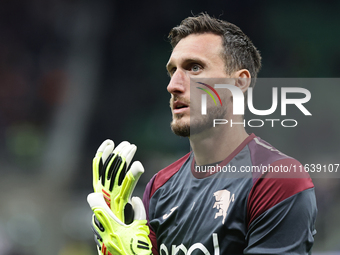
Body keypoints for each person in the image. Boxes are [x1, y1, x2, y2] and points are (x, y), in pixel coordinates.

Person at [87, 13, 317, 255]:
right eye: (172, 71)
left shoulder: (276, 180)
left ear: (238, 84)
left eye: (194, 68)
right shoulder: (159, 187)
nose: (173, 85)